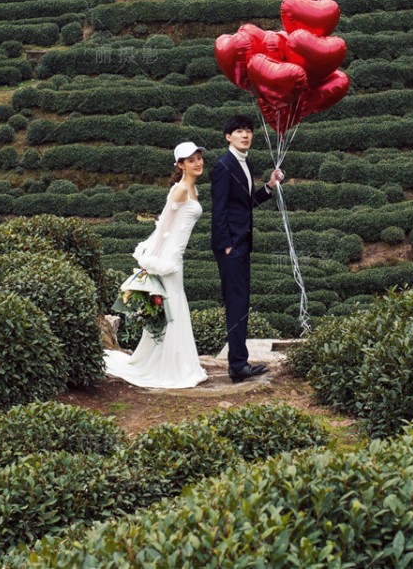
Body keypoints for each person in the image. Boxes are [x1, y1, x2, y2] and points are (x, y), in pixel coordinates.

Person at [103, 141, 209, 389]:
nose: (198, 163)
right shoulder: (180, 190)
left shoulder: (193, 190)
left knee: (175, 306)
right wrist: (152, 260)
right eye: (191, 160)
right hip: (169, 258)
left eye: (199, 158)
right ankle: (170, 367)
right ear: (180, 165)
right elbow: (163, 227)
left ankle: (175, 362)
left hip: (177, 257)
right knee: (172, 309)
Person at [210, 114, 283, 382]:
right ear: (228, 136)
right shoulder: (223, 166)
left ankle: (239, 362)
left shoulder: (244, 162)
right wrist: (226, 245)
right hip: (232, 247)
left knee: (241, 303)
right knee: (237, 302)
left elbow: (244, 203)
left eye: (249, 131)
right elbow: (218, 211)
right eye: (239, 131)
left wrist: (270, 186)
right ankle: (237, 366)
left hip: (242, 243)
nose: (245, 135)